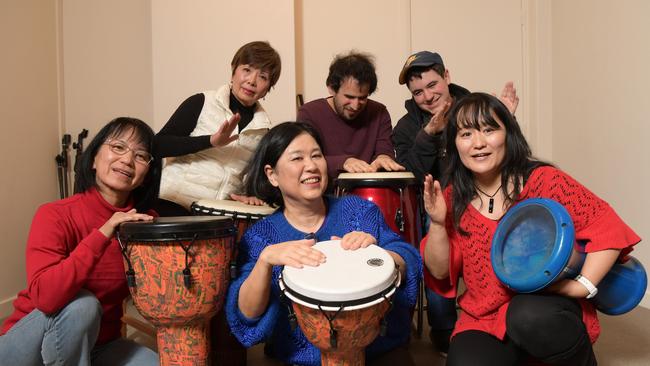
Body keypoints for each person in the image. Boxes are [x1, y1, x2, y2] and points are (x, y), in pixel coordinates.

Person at [421, 93, 640, 366]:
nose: (478, 143)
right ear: (455, 144)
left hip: (542, 305)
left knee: (525, 315)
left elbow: (605, 225)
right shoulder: (453, 197)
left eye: (489, 130)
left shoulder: (545, 181)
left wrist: (581, 287)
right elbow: (440, 271)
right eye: (466, 134)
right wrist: (439, 223)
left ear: (508, 133)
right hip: (484, 317)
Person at [225, 122, 422, 365]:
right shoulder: (261, 236)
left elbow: (408, 257)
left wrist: (381, 256)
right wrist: (265, 261)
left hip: (373, 352)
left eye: (316, 155)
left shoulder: (358, 211)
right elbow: (246, 315)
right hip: (299, 359)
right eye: (297, 158)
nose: (311, 166)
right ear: (272, 175)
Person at [0, 117, 162, 365]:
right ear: (94, 158)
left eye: (141, 155)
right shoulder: (54, 214)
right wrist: (104, 231)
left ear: (146, 175)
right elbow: (46, 298)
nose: (128, 160)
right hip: (26, 345)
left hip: (98, 345)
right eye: (118, 147)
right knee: (83, 305)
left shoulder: (144, 223)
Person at [392, 50, 519, 354]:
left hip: (483, 196)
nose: (427, 95)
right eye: (418, 92)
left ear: (447, 76)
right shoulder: (407, 127)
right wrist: (429, 133)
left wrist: (507, 119)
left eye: (432, 84)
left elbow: (501, 149)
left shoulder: (475, 107)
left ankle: (508, 317)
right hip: (439, 206)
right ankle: (444, 329)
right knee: (434, 239)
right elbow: (411, 173)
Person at [155, 41, 282, 215]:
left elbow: (251, 177)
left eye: (263, 77)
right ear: (234, 70)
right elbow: (158, 145)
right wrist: (210, 141)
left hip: (217, 215)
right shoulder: (201, 102)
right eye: (247, 70)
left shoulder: (263, 130)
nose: (252, 81)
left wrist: (249, 195)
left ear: (268, 88)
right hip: (173, 203)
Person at [297, 51, 404, 183]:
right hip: (324, 194)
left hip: (367, 193)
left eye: (362, 98)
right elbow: (306, 159)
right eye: (349, 97)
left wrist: (384, 158)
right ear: (331, 88)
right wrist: (344, 162)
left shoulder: (379, 112)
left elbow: (385, 150)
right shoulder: (309, 112)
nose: (355, 105)